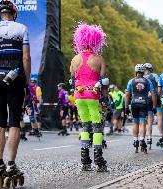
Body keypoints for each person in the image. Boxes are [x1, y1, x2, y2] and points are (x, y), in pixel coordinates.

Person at [0, 0, 30, 187]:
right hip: (15, 79)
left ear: (0, 13)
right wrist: (27, 83)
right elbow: (26, 57)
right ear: (13, 13)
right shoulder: (21, 28)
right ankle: (10, 165)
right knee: (14, 123)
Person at [70, 23, 109, 172]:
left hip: (79, 96)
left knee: (85, 125)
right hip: (93, 96)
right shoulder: (98, 59)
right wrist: (105, 101)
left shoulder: (74, 59)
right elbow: (104, 82)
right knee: (97, 127)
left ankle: (85, 159)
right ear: (95, 41)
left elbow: (72, 79)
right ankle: (98, 159)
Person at [125, 64, 156, 154]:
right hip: (144, 103)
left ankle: (135, 140)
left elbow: (127, 95)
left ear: (136, 71)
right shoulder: (147, 81)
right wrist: (154, 106)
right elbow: (153, 93)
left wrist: (126, 107)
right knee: (143, 123)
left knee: (135, 122)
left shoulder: (131, 81)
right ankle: (142, 139)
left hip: (134, 103)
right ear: (143, 72)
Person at [143, 63, 163, 149]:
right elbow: (159, 84)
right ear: (151, 69)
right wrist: (162, 93)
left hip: (147, 99)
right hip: (156, 96)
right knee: (159, 117)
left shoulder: (142, 78)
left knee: (149, 118)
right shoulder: (154, 75)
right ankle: (161, 135)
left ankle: (149, 137)